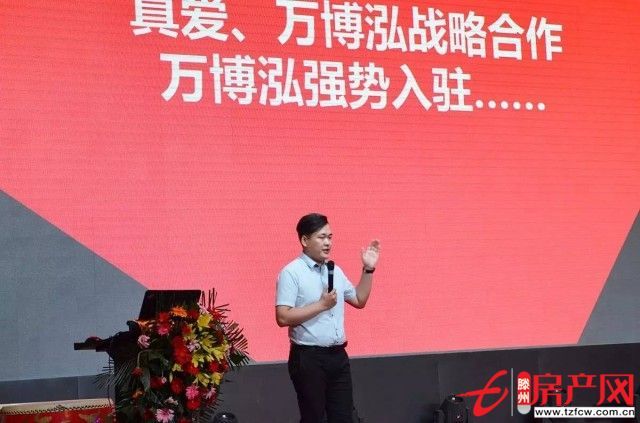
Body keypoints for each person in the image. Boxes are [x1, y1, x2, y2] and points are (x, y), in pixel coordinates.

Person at [275, 213, 380, 423]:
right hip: (308, 358)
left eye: (330, 237)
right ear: (305, 240)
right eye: (321, 237)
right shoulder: (291, 272)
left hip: (338, 357)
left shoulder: (335, 271)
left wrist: (368, 269)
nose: (328, 243)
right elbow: (283, 316)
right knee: (314, 418)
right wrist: (321, 305)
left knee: (344, 417)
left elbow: (359, 299)